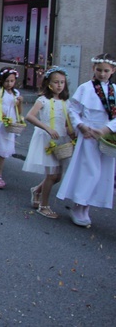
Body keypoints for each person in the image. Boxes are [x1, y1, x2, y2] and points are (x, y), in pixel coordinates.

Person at [57, 54, 116, 227]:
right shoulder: (85, 88)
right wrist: (81, 126)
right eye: (99, 70)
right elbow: (73, 110)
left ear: (112, 71)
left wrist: (106, 129)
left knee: (102, 173)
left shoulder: (114, 90)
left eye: (106, 71)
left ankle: (87, 206)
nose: (102, 74)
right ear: (93, 69)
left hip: (106, 135)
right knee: (89, 171)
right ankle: (79, 205)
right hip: (89, 133)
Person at [22, 67, 75, 219]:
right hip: (46, 139)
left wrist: (72, 133)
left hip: (61, 139)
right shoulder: (43, 100)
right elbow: (30, 116)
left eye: (62, 82)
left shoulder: (66, 102)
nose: (59, 85)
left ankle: (37, 190)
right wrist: (46, 128)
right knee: (51, 175)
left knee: (57, 176)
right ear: (49, 83)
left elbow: (66, 121)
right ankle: (44, 206)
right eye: (56, 82)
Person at [0, 68, 24, 189]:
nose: (9, 84)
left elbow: (19, 111)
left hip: (9, 123)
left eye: (12, 81)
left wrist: (20, 103)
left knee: (4, 149)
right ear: (2, 80)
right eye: (7, 81)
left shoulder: (16, 93)